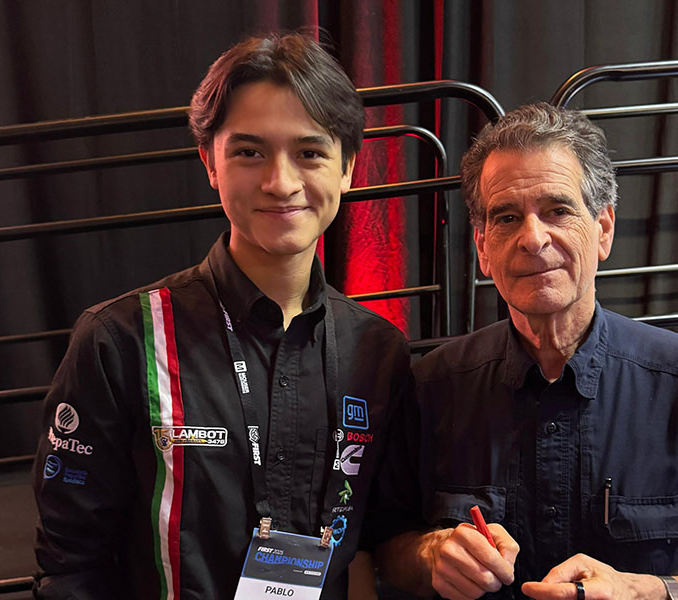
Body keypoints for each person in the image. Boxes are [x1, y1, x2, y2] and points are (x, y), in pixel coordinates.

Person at [32, 32, 413, 599]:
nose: (280, 182)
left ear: (348, 168)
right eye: (249, 152)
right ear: (210, 162)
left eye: (310, 152)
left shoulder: (378, 350)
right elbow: (70, 568)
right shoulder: (120, 341)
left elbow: (373, 546)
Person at [374, 103, 678, 600]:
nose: (533, 238)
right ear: (483, 249)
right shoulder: (431, 388)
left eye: (558, 210)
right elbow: (383, 549)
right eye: (507, 218)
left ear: (604, 229)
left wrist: (644, 592)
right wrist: (430, 555)